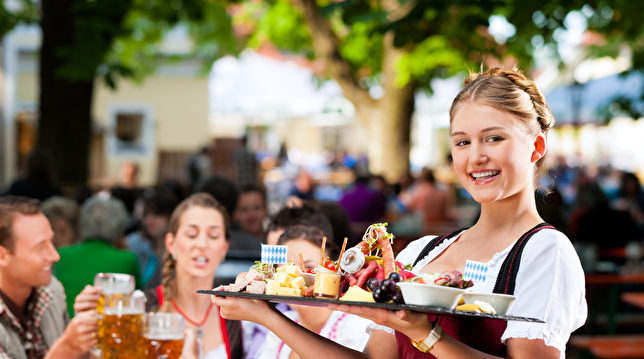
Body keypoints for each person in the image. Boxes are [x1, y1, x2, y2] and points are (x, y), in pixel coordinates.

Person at [212, 67, 587, 359]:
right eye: (462, 142)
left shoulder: (545, 253)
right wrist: (264, 315)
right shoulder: (421, 252)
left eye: (494, 137)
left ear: (536, 146)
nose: (476, 156)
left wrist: (424, 332)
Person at [0, 196, 99, 358]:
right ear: (1, 255)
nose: (55, 256)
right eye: (41, 247)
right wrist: (67, 348)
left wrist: (85, 334)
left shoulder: (50, 289)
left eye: (51, 242)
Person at [145, 193, 243, 359]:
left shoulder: (237, 317)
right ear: (171, 244)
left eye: (213, 236)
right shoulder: (143, 308)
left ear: (224, 248)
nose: (202, 245)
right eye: (191, 234)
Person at [257, 225, 372, 358]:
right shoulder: (281, 326)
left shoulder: (352, 325)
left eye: (309, 267)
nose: (296, 275)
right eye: (288, 268)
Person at [54, 194, 142, 317]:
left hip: (68, 323)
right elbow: (138, 300)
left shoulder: (63, 254)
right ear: (120, 226)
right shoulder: (127, 259)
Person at [126, 190, 181, 289]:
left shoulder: (178, 253)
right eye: (146, 215)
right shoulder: (139, 245)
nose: (149, 220)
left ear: (170, 217)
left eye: (157, 215)